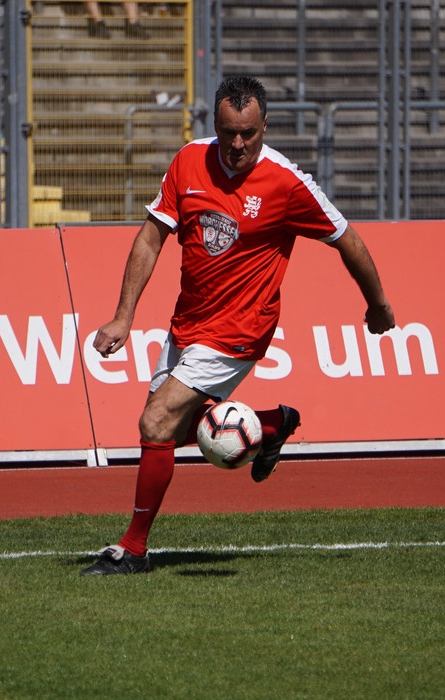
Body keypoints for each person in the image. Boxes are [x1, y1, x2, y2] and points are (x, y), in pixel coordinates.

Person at [79, 76, 396, 576]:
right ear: (216, 126)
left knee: (155, 421)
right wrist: (124, 315)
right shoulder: (189, 161)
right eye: (228, 132)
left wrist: (377, 305)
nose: (238, 144)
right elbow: (149, 239)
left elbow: (346, 238)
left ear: (265, 125)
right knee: (170, 434)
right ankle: (272, 426)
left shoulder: (286, 182)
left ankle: (132, 550)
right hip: (189, 322)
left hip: (241, 328)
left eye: (248, 133)